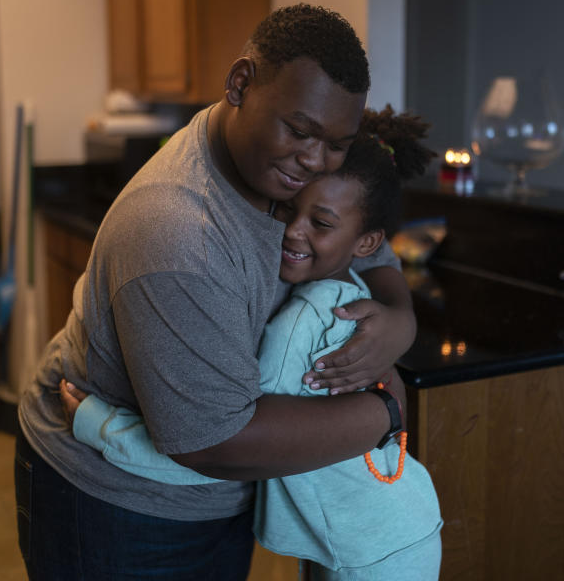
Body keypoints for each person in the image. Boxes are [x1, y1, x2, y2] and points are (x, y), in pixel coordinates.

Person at [15, 4, 417, 580]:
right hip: (117, 504)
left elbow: (368, 244)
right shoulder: (179, 233)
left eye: (336, 144)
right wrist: (385, 410)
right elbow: (212, 442)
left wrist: (401, 319)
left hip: (225, 494)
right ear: (240, 84)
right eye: (300, 132)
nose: (314, 160)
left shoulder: (286, 170)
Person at [61, 105, 444, 580]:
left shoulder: (306, 320)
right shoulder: (348, 287)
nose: (291, 228)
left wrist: (102, 427)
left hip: (373, 555)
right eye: (286, 208)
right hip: (394, 529)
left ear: (365, 242)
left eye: (320, 223)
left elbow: (223, 440)